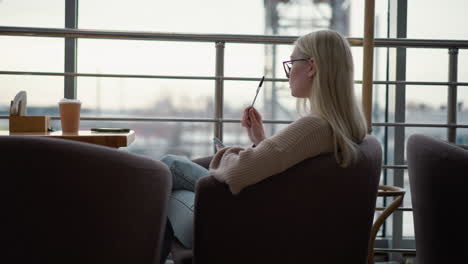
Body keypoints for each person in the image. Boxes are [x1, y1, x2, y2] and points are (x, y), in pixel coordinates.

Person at [158, 29, 367, 263]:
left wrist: (226, 153)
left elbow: (238, 173)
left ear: (311, 67)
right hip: (277, 221)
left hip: (243, 228)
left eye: (291, 63)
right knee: (166, 179)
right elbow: (290, 176)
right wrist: (260, 141)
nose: (288, 73)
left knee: (166, 171)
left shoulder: (313, 126)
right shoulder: (345, 126)